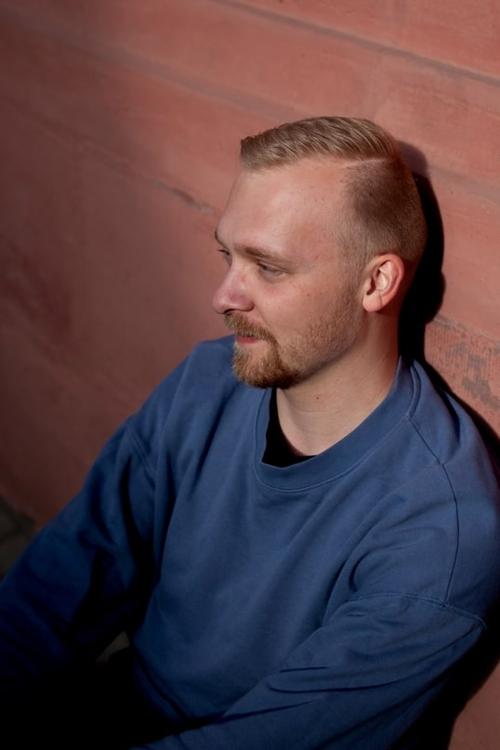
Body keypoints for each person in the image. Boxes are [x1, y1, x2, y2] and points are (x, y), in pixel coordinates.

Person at [1, 116, 499, 750]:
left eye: (268, 266)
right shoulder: (207, 382)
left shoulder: (440, 530)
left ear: (376, 282)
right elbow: (70, 574)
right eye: (228, 255)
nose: (224, 296)